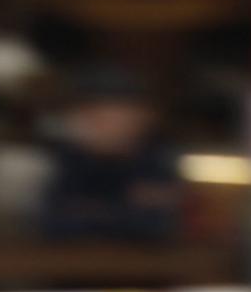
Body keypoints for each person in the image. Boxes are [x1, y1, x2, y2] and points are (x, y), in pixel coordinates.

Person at [33, 68, 182, 245]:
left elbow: (156, 227)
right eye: (87, 111)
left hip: (148, 269)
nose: (94, 121)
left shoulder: (160, 162)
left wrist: (97, 214)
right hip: (67, 267)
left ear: (144, 116)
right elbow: (53, 224)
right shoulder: (60, 161)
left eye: (109, 111)